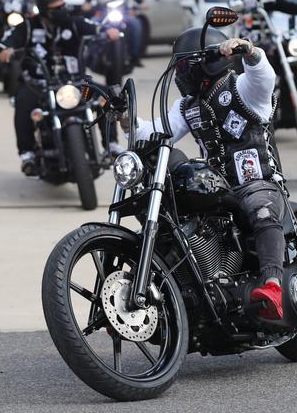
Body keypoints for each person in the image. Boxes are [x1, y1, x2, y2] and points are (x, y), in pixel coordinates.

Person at [120, 27, 286, 320]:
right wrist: (123, 117)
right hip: (219, 187)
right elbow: (156, 132)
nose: (181, 73)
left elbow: (264, 77)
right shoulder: (187, 106)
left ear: (207, 63)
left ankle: (273, 285)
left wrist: (247, 50)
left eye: (185, 65)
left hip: (256, 181)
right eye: (178, 66)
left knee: (259, 209)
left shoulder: (243, 88)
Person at [0, 0, 120, 176]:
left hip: (76, 83)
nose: (62, 10)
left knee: (107, 97)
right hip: (40, 84)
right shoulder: (28, 26)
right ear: (45, 10)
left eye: (63, 5)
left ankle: (111, 145)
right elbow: (8, 40)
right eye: (56, 8)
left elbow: (96, 27)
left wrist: (109, 31)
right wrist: (6, 50)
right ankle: (27, 154)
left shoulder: (74, 22)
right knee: (23, 101)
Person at [83, 0, 145, 67]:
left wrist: (135, 9)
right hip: (103, 15)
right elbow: (86, 3)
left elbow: (141, 2)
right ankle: (90, 54)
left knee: (136, 24)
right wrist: (92, 10)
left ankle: (135, 56)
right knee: (92, 24)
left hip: (123, 14)